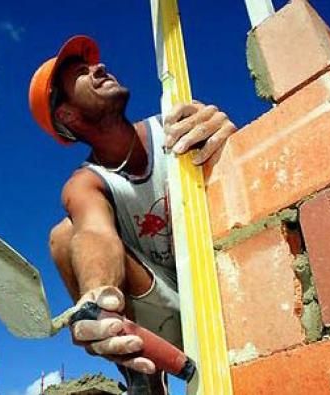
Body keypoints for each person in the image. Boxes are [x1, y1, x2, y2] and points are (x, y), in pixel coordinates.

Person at [28, 35, 237, 393]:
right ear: (66, 114)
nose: (100, 67)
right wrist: (100, 297)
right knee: (64, 236)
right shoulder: (87, 183)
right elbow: (95, 233)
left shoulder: (175, 124)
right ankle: (139, 366)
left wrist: (230, 145)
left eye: (94, 64)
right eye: (82, 72)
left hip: (224, 284)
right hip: (164, 312)